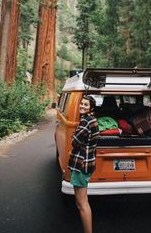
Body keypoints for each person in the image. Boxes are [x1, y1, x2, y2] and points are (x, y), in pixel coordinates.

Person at [68, 95, 99, 233]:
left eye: (86, 105)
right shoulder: (92, 120)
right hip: (87, 162)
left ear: (91, 108)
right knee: (82, 201)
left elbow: (75, 141)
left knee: (82, 204)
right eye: (81, 104)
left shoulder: (86, 121)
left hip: (82, 165)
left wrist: (73, 136)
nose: (82, 106)